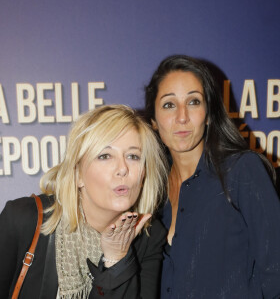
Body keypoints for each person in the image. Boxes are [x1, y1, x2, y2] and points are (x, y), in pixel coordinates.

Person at [145, 55, 280, 298]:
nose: (182, 116)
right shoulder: (152, 189)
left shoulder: (240, 170)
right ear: (153, 121)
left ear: (208, 114)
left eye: (194, 102)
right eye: (169, 104)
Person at [0, 105, 168, 299]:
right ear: (78, 174)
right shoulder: (23, 219)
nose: (123, 169)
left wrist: (116, 259)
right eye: (105, 156)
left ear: (145, 171)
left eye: (133, 156)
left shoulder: (149, 236)